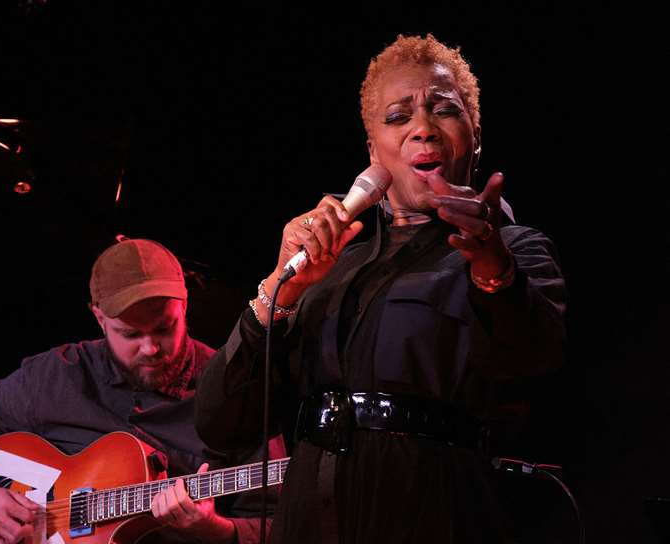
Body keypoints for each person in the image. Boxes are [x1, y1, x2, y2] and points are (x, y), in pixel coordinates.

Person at [194, 33, 566, 543]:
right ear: (373, 151)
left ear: (474, 136)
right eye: (398, 117)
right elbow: (220, 423)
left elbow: (531, 361)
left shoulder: (513, 250)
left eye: (444, 111)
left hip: (435, 516)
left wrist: (490, 264)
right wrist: (282, 289)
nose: (423, 129)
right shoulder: (331, 266)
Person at [0, 238, 284, 544]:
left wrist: (213, 531)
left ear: (184, 306)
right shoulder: (57, 376)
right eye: (130, 334)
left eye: (164, 328)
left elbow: (279, 526)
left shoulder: (236, 390)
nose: (151, 348)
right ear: (99, 318)